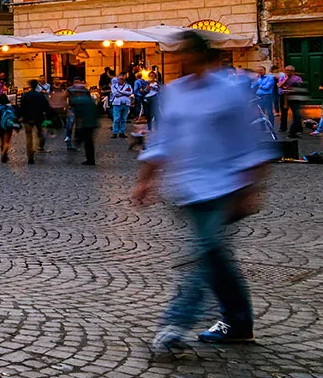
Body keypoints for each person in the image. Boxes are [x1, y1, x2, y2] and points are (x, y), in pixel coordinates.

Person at [134, 31, 277, 353]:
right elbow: (164, 140)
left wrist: (253, 187)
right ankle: (238, 323)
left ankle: (175, 324)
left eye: (189, 55)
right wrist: (145, 180)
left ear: (204, 56)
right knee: (215, 258)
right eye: (180, 55)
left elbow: (251, 143)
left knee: (204, 254)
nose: (183, 61)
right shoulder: (174, 93)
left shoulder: (230, 91)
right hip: (187, 188)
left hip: (223, 186)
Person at [69, 83, 100, 166]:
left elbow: (71, 103)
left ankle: (89, 158)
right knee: (89, 142)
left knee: (87, 141)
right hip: (92, 123)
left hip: (85, 123)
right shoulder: (90, 100)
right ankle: (91, 159)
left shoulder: (79, 100)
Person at [18, 80, 49, 163]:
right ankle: (36, 147)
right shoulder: (40, 95)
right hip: (39, 118)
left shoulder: (25, 95)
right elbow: (46, 106)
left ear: (30, 85)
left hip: (27, 118)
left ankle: (30, 156)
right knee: (39, 133)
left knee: (28, 137)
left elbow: (22, 107)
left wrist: (18, 117)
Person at [0, 97, 21, 164]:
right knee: (7, 142)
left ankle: (3, 152)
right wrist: (16, 127)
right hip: (8, 127)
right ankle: (4, 153)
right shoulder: (10, 108)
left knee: (1, 141)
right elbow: (14, 117)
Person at [109, 73, 134, 139]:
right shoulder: (114, 86)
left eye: (122, 79)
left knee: (124, 119)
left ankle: (121, 132)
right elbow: (115, 93)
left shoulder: (128, 86)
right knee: (116, 119)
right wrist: (125, 93)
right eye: (119, 79)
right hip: (117, 103)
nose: (121, 80)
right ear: (117, 79)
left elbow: (130, 92)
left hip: (126, 103)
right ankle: (114, 132)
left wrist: (120, 92)